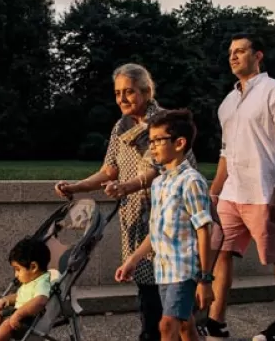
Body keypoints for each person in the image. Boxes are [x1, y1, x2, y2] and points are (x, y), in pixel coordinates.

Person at [54, 63, 196, 341]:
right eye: (118, 92)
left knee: (169, 290)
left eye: (129, 92)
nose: (122, 98)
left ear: (146, 91)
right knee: (147, 286)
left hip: (168, 215)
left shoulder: (163, 123)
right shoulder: (121, 126)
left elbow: (159, 167)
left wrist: (126, 186)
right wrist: (76, 187)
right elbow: (109, 170)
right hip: (136, 216)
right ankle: (154, 333)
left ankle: (157, 334)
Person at [204, 33, 275, 341]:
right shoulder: (227, 102)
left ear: (258, 56)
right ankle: (216, 320)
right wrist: (214, 191)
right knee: (221, 252)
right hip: (232, 193)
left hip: (264, 190)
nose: (233, 56)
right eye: (231, 52)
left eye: (241, 51)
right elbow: (225, 152)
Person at [115, 109, 215, 341]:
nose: (152, 147)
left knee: (167, 326)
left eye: (158, 140)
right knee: (185, 327)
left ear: (179, 143)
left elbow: (204, 230)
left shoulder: (191, 181)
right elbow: (156, 232)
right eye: (150, 141)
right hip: (164, 269)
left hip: (184, 270)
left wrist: (205, 278)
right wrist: (133, 259)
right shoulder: (159, 183)